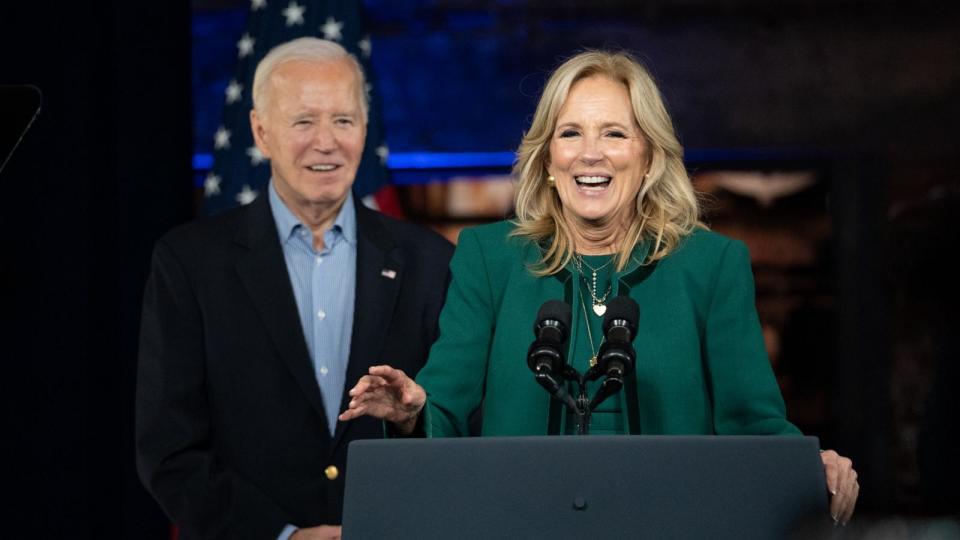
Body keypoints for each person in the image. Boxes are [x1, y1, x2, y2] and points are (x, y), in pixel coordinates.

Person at [339, 50, 859, 525]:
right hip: (520, 524)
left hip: (671, 525)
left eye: (614, 133)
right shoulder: (489, 259)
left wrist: (805, 463)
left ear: (650, 156)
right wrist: (412, 412)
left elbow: (754, 423)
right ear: (546, 160)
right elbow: (445, 404)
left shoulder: (711, 265)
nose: (591, 154)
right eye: (570, 134)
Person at [136, 38, 453, 540]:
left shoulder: (430, 261)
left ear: (365, 130)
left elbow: (461, 426)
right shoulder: (190, 263)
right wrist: (281, 536)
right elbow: (169, 449)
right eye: (303, 121)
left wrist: (414, 421)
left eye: (343, 120)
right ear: (261, 132)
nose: (326, 142)